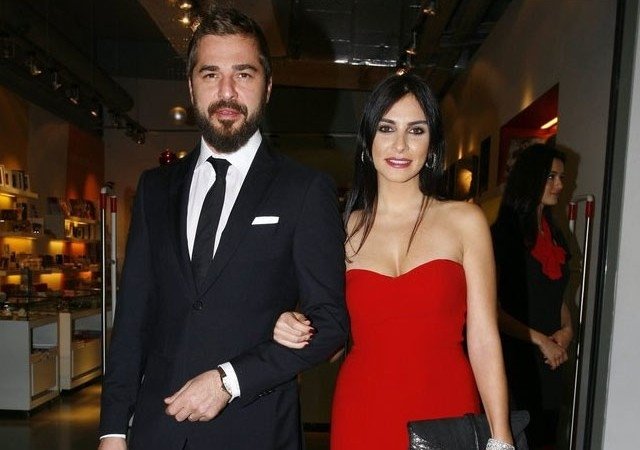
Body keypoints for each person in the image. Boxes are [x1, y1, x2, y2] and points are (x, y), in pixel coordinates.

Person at [98, 7, 349, 450]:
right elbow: (133, 318)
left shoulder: (305, 189)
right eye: (211, 74)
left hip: (256, 430)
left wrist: (229, 380)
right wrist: (113, 429)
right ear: (191, 85)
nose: (227, 92)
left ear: (267, 86)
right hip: (159, 431)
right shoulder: (155, 188)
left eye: (244, 74)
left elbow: (330, 324)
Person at [273, 73, 514, 450]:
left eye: (416, 130)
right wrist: (294, 326)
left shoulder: (465, 222)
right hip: (362, 412)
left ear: (431, 145)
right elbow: (332, 343)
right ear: (368, 140)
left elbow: (484, 338)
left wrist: (501, 437)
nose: (400, 144)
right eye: (387, 128)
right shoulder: (340, 230)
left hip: (446, 411)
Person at [491, 144, 573, 449]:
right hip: (515, 359)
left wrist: (567, 329)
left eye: (561, 177)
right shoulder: (502, 236)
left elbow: (557, 294)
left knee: (546, 437)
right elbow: (492, 311)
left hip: (550, 360)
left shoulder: (556, 235)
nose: (560, 185)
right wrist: (540, 340)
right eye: (551, 177)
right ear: (530, 179)